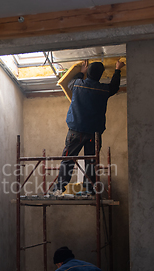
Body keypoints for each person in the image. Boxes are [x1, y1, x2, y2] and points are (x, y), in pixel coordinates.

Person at [53, 60, 125, 195]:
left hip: (76, 131)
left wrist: (81, 73)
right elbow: (114, 87)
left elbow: (69, 84)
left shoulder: (78, 84)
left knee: (68, 159)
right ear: (101, 75)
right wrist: (117, 69)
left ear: (88, 73)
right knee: (92, 161)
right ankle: (90, 189)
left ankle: (59, 188)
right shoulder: (103, 89)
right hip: (94, 134)